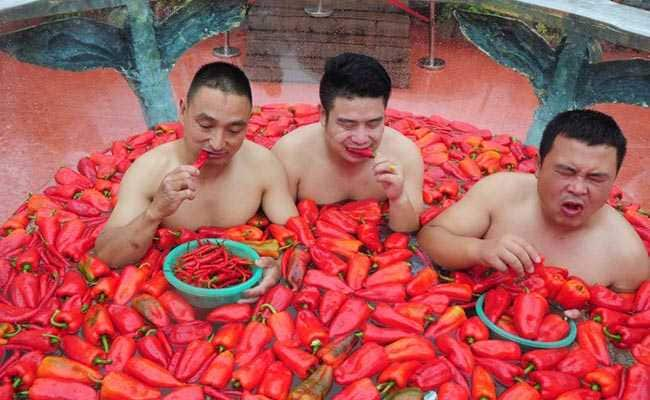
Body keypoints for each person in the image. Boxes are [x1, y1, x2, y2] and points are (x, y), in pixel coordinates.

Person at [95, 62, 298, 301]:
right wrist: (155, 211)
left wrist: (279, 268)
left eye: (234, 130)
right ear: (182, 111)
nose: (218, 143)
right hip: (169, 296)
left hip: (240, 291)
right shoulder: (148, 171)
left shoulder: (263, 165)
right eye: (205, 125)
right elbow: (106, 256)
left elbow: (297, 241)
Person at [417, 109, 649, 291]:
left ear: (614, 181)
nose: (578, 188)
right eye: (566, 171)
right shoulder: (500, 192)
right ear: (538, 165)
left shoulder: (627, 257)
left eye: (596, 178)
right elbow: (430, 237)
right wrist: (478, 249)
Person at [272, 53, 424, 232]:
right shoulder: (290, 154)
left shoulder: (405, 154)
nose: (361, 139)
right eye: (347, 124)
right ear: (323, 115)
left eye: (373, 123)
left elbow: (410, 230)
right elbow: (280, 228)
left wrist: (398, 198)